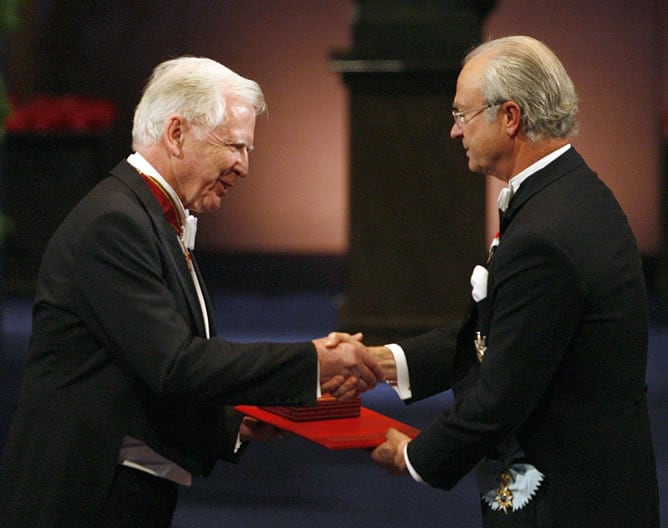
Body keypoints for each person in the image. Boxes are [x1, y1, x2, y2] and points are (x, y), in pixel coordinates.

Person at [0, 56, 383, 527]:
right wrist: (313, 362)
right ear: (177, 134)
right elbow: (175, 365)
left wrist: (234, 420)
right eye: (235, 146)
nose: (243, 166)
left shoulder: (145, 215)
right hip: (83, 497)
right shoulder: (115, 222)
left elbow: (143, 367)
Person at [340, 35, 660, 526]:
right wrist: (385, 362)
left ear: (509, 117)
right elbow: (505, 328)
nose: (454, 131)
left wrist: (415, 456)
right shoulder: (565, 195)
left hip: (566, 502)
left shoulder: (548, 232)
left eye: (461, 115)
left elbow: (502, 394)